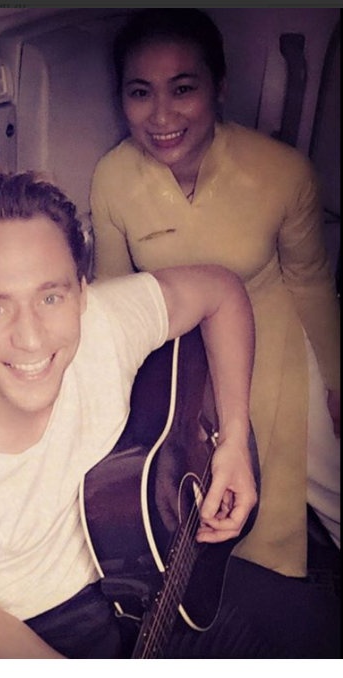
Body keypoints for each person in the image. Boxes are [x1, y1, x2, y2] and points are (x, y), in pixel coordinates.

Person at [0, 170, 272, 659]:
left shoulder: (105, 323)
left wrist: (233, 441)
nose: (31, 338)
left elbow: (221, 292)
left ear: (81, 294)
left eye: (50, 297)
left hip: (150, 549)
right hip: (41, 627)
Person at [90, 8, 340, 579]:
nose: (161, 116)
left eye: (183, 88)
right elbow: (113, 295)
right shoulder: (112, 178)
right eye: (140, 92)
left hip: (275, 331)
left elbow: (310, 280)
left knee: (325, 474)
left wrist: (336, 378)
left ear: (219, 87)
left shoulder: (283, 172)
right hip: (179, 355)